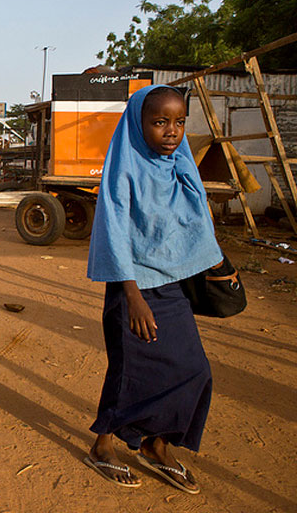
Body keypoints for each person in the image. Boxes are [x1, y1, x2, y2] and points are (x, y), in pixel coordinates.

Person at [83, 85, 221, 494]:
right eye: (160, 122)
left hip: (171, 283)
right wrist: (133, 295)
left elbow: (195, 220)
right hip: (133, 288)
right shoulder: (125, 167)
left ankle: (156, 445)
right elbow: (115, 230)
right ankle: (103, 445)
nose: (172, 131)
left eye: (180, 122)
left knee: (194, 370)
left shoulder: (179, 163)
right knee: (131, 373)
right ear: (139, 123)